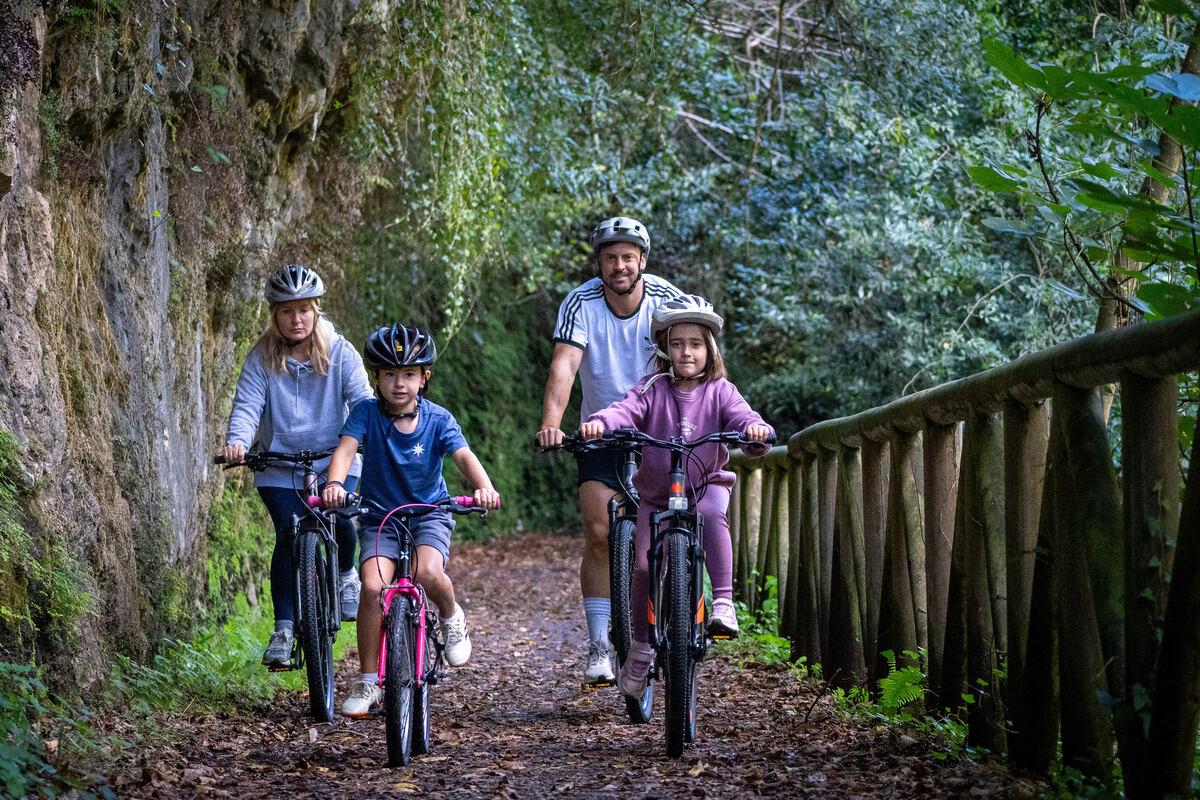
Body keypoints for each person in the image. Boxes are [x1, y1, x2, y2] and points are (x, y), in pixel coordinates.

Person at [579, 295, 773, 701]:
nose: (686, 351)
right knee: (646, 570)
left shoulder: (721, 390)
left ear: (710, 350)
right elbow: (624, 411)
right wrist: (600, 423)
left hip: (706, 485)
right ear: (666, 348)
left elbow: (744, 419)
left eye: (696, 344)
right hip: (656, 495)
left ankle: (722, 603)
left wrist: (755, 431)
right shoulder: (653, 388)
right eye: (678, 343)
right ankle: (641, 648)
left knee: (712, 517)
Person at [322, 323, 501, 717]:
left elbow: (464, 457)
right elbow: (346, 451)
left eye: (408, 374)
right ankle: (369, 681)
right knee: (371, 587)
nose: (399, 383)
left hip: (429, 514)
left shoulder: (438, 419)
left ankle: (452, 615)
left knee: (428, 572)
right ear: (376, 377)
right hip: (378, 516)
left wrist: (484, 487)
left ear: (424, 378)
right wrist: (335, 483)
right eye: (389, 374)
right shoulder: (366, 414)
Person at [535, 216, 683, 685]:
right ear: (599, 262)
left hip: (659, 427)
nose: (619, 266)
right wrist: (552, 425)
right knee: (599, 531)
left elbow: (691, 357)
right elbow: (565, 365)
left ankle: (673, 608)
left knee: (668, 527)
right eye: (610, 257)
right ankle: (600, 644)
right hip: (601, 429)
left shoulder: (666, 300)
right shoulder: (581, 303)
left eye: (627, 257)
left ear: (642, 260)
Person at [224, 264, 372, 668]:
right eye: (287, 311)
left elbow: (362, 400)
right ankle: (284, 629)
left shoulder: (340, 352)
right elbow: (247, 406)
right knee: (288, 536)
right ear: (274, 314)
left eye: (304, 309)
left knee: (339, 514)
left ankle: (345, 575)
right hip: (279, 463)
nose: (296, 319)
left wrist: (365, 435)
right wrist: (238, 441)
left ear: (316, 310)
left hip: (335, 458)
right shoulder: (261, 358)